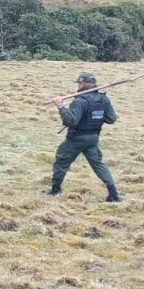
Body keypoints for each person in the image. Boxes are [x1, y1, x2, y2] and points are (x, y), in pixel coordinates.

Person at [47, 72, 121, 202]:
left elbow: (70, 121)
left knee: (61, 161)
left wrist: (60, 106)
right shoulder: (104, 99)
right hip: (93, 137)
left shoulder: (80, 101)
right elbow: (111, 119)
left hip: (76, 139)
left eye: (79, 83)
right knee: (98, 164)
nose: (78, 85)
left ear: (84, 84)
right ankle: (114, 194)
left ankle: (55, 190)